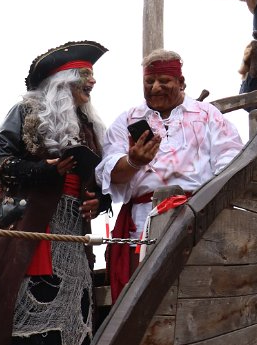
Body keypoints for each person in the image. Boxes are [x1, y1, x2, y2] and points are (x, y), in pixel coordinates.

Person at [0, 40, 109, 345]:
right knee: (26, 324)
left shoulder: (90, 125)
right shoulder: (27, 111)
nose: (92, 82)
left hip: (74, 238)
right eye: (84, 76)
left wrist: (99, 200)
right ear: (62, 81)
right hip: (32, 231)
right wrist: (43, 170)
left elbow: (101, 183)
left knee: (74, 323)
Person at [96, 49, 243, 303]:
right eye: (149, 81)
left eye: (164, 81)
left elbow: (230, 162)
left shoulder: (207, 115)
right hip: (143, 224)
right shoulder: (128, 120)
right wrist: (133, 161)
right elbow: (108, 173)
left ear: (181, 82)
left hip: (198, 216)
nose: (155, 88)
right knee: (142, 301)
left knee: (197, 293)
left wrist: (205, 206)